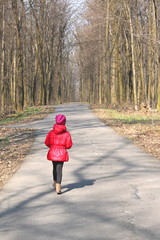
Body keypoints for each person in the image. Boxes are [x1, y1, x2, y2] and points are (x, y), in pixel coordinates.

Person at [44, 114, 73, 194]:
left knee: (54, 167)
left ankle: (55, 182)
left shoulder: (51, 133)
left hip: (53, 152)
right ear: (64, 122)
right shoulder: (67, 134)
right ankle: (58, 187)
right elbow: (69, 145)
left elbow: (47, 142)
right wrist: (63, 147)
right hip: (62, 153)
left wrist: (52, 146)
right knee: (59, 169)